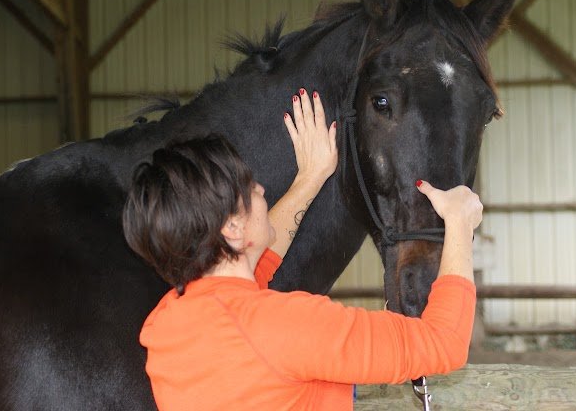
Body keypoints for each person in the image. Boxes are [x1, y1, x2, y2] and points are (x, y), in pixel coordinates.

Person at [123, 89, 482, 411]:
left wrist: (310, 177)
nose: (261, 190)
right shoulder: (286, 325)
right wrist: (459, 224)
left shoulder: (166, 325)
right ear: (231, 228)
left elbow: (249, 274)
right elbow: (444, 343)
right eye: (249, 188)